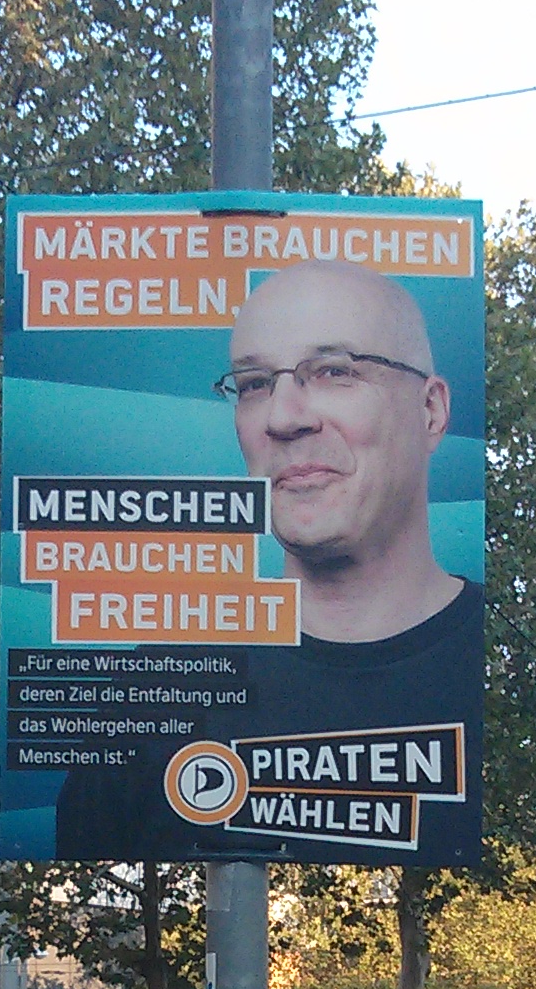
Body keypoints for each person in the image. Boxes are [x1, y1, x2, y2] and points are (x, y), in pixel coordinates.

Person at [51, 257, 482, 860]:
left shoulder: (499, 672)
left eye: (334, 371)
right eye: (254, 384)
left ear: (430, 411)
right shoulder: (155, 695)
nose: (282, 418)